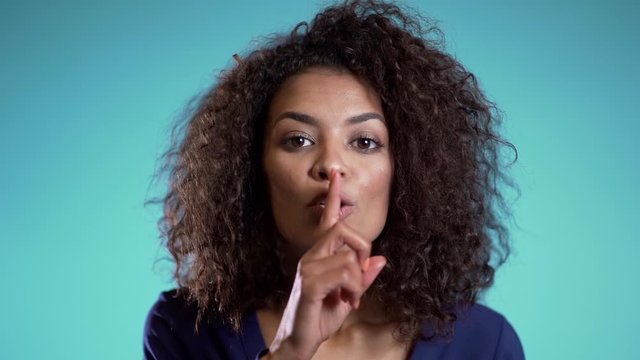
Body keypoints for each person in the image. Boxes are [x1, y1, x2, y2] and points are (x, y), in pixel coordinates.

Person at [143, 1, 524, 359]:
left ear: (407, 170)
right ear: (253, 168)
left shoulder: (485, 343)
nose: (331, 165)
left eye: (364, 142)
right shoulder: (185, 328)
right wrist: (291, 349)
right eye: (298, 140)